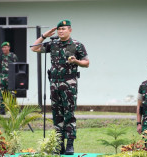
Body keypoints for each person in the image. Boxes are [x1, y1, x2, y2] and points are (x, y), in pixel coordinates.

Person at [31, 20, 89, 155]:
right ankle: (59, 144)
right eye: (59, 29)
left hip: (69, 84)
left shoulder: (77, 45)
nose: (60, 31)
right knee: (57, 114)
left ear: (70, 30)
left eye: (63, 29)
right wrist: (44, 35)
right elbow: (34, 48)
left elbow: (86, 63)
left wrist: (76, 61)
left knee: (69, 114)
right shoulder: (53, 44)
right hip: (54, 84)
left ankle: (70, 144)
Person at [0, 42, 18, 115]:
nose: (4, 49)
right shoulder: (0, 56)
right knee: (2, 94)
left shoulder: (13, 56)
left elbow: (16, 67)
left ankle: (14, 110)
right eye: (3, 47)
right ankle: (2, 110)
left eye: (6, 47)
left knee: (12, 94)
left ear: (9, 48)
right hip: (2, 77)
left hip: (11, 77)